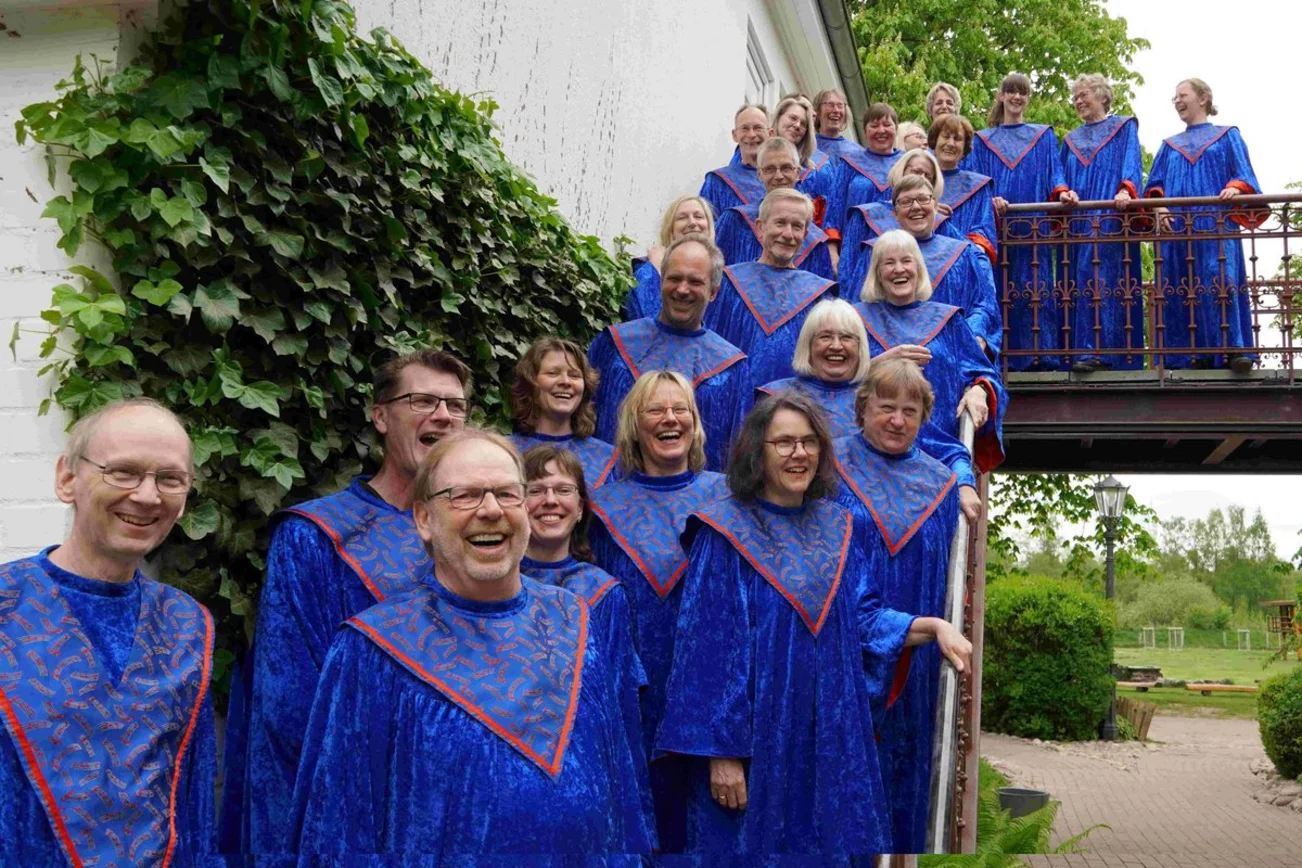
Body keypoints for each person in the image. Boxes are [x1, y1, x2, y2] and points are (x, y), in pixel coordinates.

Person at [291, 430, 654, 858]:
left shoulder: (575, 620)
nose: (490, 510)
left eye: (507, 493)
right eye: (464, 495)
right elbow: (337, 831)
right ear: (424, 519)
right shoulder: (371, 649)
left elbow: (617, 782)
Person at [657, 392, 971, 856]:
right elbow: (707, 649)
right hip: (758, 740)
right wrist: (721, 753)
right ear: (756, 452)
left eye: (808, 442)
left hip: (830, 735)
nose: (798, 453)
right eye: (783, 442)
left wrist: (933, 626)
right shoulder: (723, 531)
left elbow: (863, 617)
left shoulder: (839, 525)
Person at [234, 350, 470, 856]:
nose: (443, 416)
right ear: (381, 416)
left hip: (466, 797)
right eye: (422, 400)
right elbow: (290, 701)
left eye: (455, 405)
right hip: (362, 804)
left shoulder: (481, 526)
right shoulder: (317, 535)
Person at [0, 399, 215, 867]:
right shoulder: (5, 605)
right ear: (67, 478)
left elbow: (193, 805)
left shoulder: (187, 625)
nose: (147, 495)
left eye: (170, 479)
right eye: (123, 471)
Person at [587, 372, 730, 853]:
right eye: (655, 410)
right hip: (633, 695)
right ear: (632, 424)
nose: (670, 419)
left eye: (681, 410)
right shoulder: (600, 509)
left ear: (695, 423)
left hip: (714, 698)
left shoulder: (730, 498)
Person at [833, 360, 966, 854]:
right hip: (840, 649)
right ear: (862, 407)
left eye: (910, 411)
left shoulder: (940, 485)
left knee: (907, 787)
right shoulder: (830, 467)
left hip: (918, 664)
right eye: (885, 407)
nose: (897, 420)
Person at [519, 444, 651, 826]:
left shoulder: (604, 593)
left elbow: (619, 708)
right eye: (536, 489)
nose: (549, 501)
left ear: (580, 509)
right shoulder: (489, 588)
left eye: (563, 490)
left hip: (583, 775)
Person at [857, 230, 1007, 494]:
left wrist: (979, 389)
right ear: (876, 272)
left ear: (919, 268)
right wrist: (881, 361)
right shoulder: (855, 320)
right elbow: (830, 380)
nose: (898, 269)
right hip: (868, 458)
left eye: (907, 261)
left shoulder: (949, 321)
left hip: (937, 454)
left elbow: (984, 372)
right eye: (888, 263)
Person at [589, 234, 749, 471]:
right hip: (612, 498)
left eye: (695, 282)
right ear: (661, 281)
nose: (682, 289)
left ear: (714, 291)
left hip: (696, 503)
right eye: (674, 278)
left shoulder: (732, 368)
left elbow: (736, 457)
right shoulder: (614, 345)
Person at [1144, 77, 1263, 372]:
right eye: (1174, 98)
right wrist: (1158, 206)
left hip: (1216, 225)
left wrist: (1237, 188)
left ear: (1203, 98)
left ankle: (1233, 350)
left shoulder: (1227, 136)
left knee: (1220, 279)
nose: (1177, 101)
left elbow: (1246, 175)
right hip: (1177, 230)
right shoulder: (1169, 146)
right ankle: (1188, 355)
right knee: (1180, 284)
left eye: (1182, 95)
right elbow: (1153, 186)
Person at [968, 72, 1078, 371]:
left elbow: (1055, 173)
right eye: (1011, 91)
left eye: (1023, 92)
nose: (1017, 97)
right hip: (997, 225)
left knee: (1036, 288)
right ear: (1001, 96)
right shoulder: (981, 140)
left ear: (1028, 98)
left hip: (1034, 224)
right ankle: (1001, 357)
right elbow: (976, 182)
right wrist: (990, 199)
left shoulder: (1042, 136)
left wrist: (1063, 191)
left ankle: (1041, 357)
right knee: (1000, 289)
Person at [843, 176, 1001, 357]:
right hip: (886, 358)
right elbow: (857, 305)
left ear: (935, 206)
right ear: (894, 212)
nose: (916, 207)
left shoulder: (962, 254)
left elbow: (984, 303)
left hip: (949, 355)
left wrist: (972, 335)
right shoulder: (873, 252)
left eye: (923, 199)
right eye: (906, 202)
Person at [708, 188, 837, 391]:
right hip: (735, 399)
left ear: (805, 234)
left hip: (795, 406)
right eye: (780, 223)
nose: (788, 234)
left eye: (797, 227)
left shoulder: (819, 296)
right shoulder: (728, 283)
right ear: (760, 228)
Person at [1060, 74, 1145, 373]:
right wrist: (1064, 191)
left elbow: (1132, 164)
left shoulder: (1123, 128)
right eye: (1075, 97)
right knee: (1082, 279)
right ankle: (1083, 350)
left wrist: (1126, 189)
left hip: (1111, 215)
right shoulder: (1070, 141)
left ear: (1102, 96)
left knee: (1105, 277)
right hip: (1079, 221)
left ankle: (1107, 352)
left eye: (1083, 94)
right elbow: (1059, 177)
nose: (1078, 101)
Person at [714, 137, 834, 280]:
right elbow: (714, 275)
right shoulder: (735, 220)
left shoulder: (816, 241)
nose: (778, 176)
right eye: (770, 169)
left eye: (786, 168)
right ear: (759, 174)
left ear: (797, 172)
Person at [510, 336, 620, 487]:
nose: (566, 382)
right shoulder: (505, 452)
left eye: (574, 375)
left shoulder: (607, 459)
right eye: (552, 373)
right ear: (530, 383)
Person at [755, 298, 871, 437]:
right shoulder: (775, 396)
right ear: (808, 345)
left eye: (846, 337)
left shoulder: (874, 399)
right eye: (825, 337)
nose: (836, 346)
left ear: (860, 347)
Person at [839, 147, 947, 286]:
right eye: (915, 172)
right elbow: (849, 265)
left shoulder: (937, 220)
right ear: (901, 171)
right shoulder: (865, 216)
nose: (920, 178)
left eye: (928, 176)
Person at [624, 194, 715, 322]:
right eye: (682, 218)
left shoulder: (721, 273)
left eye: (698, 216)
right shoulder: (648, 273)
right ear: (670, 230)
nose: (692, 223)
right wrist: (658, 271)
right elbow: (650, 324)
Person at [826, 103, 905, 243]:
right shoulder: (849, 163)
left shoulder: (907, 163)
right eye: (874, 126)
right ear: (865, 131)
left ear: (896, 129)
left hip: (898, 245)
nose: (881, 130)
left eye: (887, 125)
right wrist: (832, 250)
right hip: (854, 244)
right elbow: (834, 208)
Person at [929, 114, 999, 263]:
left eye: (957, 139)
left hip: (964, 261)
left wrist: (972, 257)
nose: (951, 143)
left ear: (965, 147)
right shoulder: (918, 181)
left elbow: (983, 228)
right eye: (945, 137)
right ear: (935, 141)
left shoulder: (978, 186)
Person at [700, 104, 770, 220]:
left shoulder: (783, 178)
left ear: (770, 134)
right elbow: (705, 227)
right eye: (745, 128)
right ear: (735, 135)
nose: (751, 134)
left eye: (758, 128)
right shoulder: (718, 182)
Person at [773, 95, 837, 221]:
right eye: (792, 118)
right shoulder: (754, 155)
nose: (797, 125)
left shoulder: (816, 168)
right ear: (779, 116)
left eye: (803, 124)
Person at [812, 88, 859, 160]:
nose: (836, 110)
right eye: (830, 105)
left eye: (840, 105)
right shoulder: (807, 148)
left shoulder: (856, 152)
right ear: (817, 112)